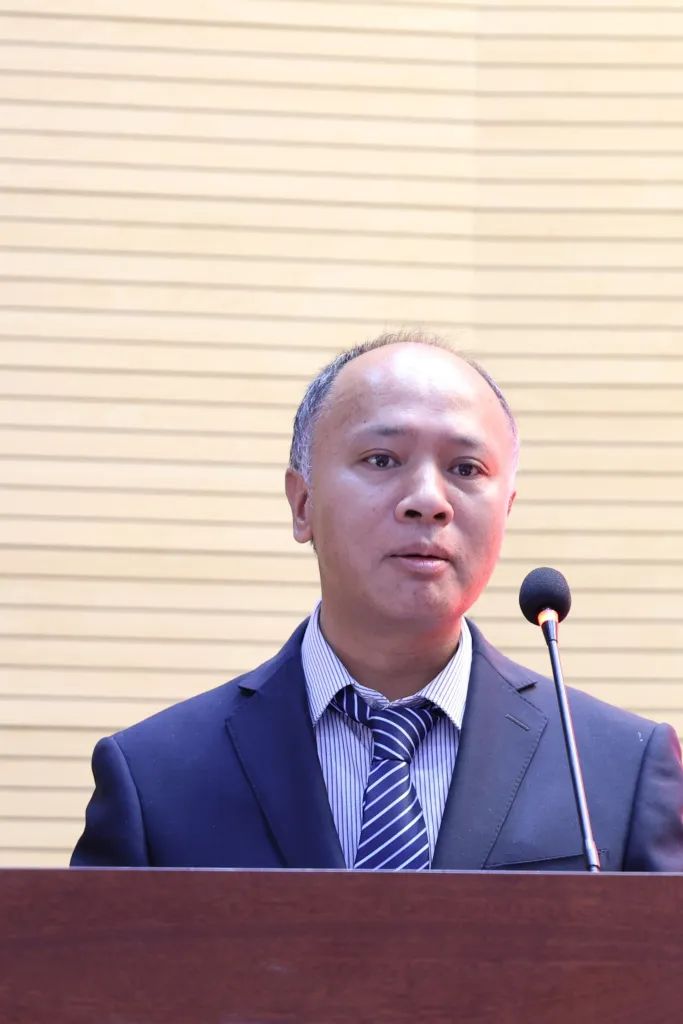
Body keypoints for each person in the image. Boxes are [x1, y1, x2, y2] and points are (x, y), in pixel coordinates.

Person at [71, 333, 683, 870]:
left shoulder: (615, 771)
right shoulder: (155, 779)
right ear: (303, 503)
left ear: (506, 511)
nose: (428, 500)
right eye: (382, 459)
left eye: (466, 469)